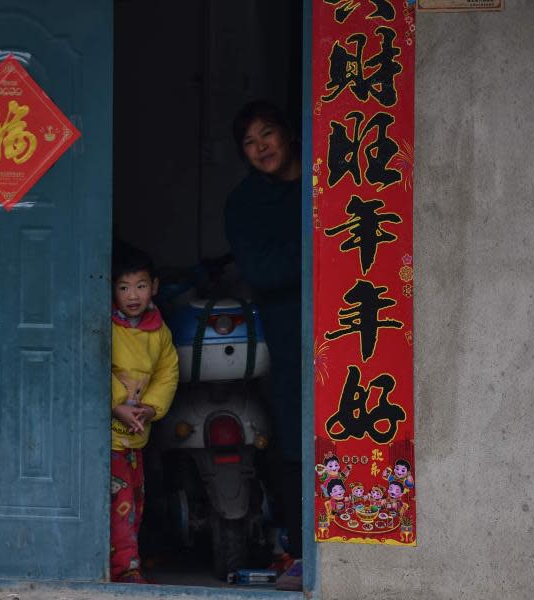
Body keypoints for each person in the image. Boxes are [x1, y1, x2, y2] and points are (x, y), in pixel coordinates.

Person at [224, 100, 304, 563]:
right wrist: (321, 247)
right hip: (288, 327)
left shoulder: (329, 178)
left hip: (350, 319)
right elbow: (261, 269)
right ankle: (297, 552)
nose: (260, 148)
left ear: (289, 133)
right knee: (292, 430)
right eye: (249, 143)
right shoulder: (245, 202)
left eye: (267, 134)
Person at [109, 242, 179, 583]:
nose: (132, 295)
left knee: (133, 502)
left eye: (139, 285)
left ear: (154, 286)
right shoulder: (105, 326)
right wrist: (117, 403)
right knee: (117, 503)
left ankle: (127, 562)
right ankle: (124, 569)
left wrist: (151, 408)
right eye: (123, 287)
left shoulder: (159, 331)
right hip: (106, 435)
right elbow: (93, 365)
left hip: (136, 435)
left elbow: (168, 373)